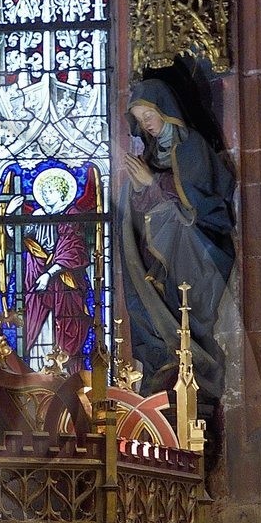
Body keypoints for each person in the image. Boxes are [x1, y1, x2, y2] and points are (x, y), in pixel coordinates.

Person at [117, 62, 237, 406]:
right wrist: (140, 191)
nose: (146, 125)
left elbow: (200, 206)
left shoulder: (192, 148)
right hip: (160, 253)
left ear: (165, 109)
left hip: (196, 253)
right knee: (157, 299)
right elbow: (146, 209)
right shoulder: (151, 156)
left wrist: (152, 185)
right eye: (140, 120)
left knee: (190, 308)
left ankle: (193, 363)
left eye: (149, 115)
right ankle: (164, 358)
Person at [21, 163, 98, 370]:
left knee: (69, 325)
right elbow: (18, 238)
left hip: (66, 286)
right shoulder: (37, 215)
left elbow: (74, 251)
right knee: (39, 327)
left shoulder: (72, 215)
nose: (46, 194)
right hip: (36, 281)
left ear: (63, 193)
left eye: (51, 190)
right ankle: (38, 371)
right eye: (44, 191)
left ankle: (67, 374)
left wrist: (49, 274)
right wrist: (10, 214)